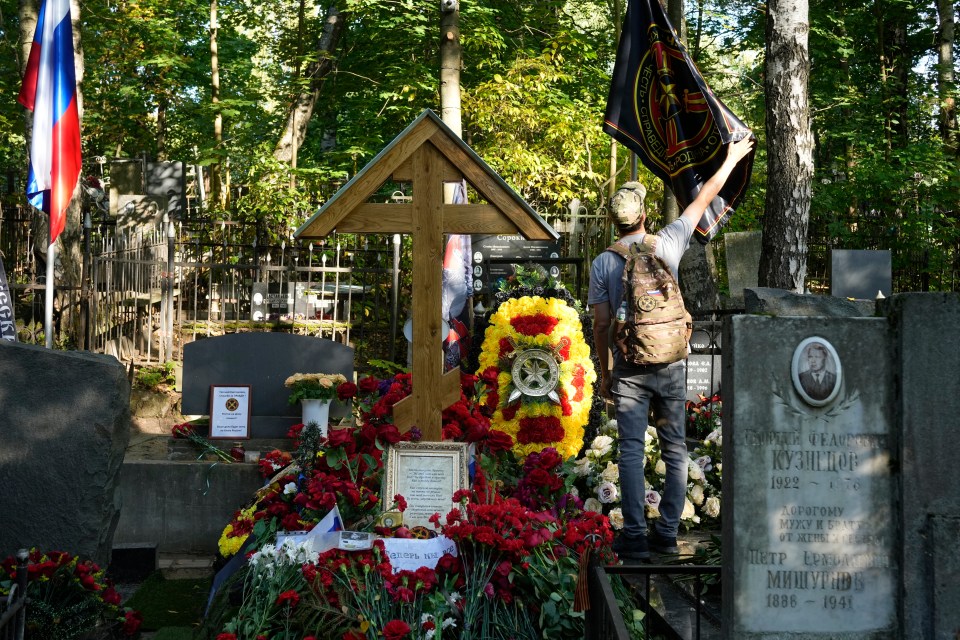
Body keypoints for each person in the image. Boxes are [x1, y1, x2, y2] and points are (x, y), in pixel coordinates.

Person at [588, 137, 755, 561]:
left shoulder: (603, 262)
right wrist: (733, 156)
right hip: (671, 364)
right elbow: (705, 195)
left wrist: (607, 374)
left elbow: (603, 324)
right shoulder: (669, 241)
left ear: (613, 223)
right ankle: (666, 531)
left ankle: (635, 536)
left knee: (629, 448)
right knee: (675, 447)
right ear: (644, 214)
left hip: (629, 366)